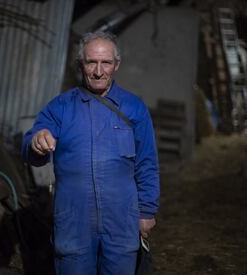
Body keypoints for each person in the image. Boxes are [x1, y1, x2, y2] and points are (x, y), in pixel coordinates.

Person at [22, 31, 160, 275]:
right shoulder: (61, 107)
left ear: (116, 65)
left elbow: (147, 163)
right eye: (91, 62)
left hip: (121, 220)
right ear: (80, 64)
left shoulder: (134, 108)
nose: (98, 71)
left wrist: (147, 211)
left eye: (106, 62)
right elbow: (31, 147)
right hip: (74, 220)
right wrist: (36, 142)